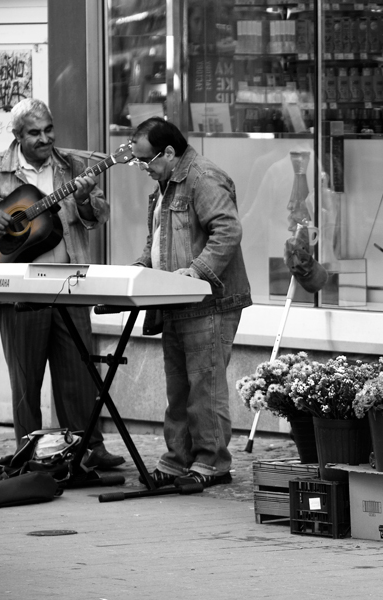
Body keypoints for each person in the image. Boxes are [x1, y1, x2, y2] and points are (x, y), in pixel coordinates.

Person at [0, 98, 123, 470]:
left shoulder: (74, 165)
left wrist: (86, 199)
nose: (45, 138)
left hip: (70, 285)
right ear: (18, 135)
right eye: (35, 133)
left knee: (78, 373)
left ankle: (87, 449)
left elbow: (98, 216)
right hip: (19, 288)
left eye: (49, 130)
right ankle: (29, 450)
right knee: (26, 378)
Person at [130, 117, 251, 488]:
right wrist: (139, 269)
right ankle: (177, 459)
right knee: (178, 387)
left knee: (205, 386)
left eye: (146, 161)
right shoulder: (166, 183)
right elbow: (159, 238)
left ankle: (212, 463)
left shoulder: (202, 176)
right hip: (176, 301)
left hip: (209, 300)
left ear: (168, 152)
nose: (143, 169)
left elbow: (227, 230)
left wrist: (197, 272)